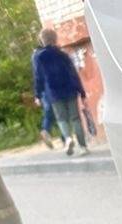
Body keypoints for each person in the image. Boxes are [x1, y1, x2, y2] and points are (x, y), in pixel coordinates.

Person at [31, 28, 88, 156]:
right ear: (55, 39)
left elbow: (38, 77)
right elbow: (73, 74)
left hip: (54, 93)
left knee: (62, 119)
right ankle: (83, 147)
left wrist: (38, 95)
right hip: (70, 90)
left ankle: (68, 138)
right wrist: (82, 92)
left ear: (42, 40)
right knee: (76, 118)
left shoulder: (39, 57)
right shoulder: (63, 55)